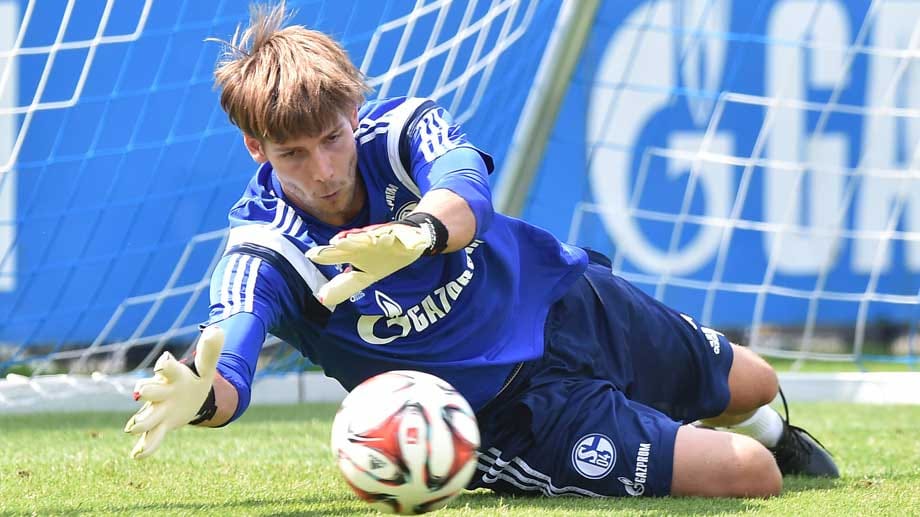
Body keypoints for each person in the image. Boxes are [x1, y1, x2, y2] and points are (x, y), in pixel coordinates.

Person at [124, 2, 839, 498]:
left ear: (354, 110)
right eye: (292, 153)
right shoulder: (264, 254)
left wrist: (415, 234)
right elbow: (231, 360)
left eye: (333, 138)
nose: (325, 169)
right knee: (751, 473)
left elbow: (466, 188)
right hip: (519, 414)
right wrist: (200, 397)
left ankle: (745, 425)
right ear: (256, 147)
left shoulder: (401, 131)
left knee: (754, 384)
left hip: (568, 303)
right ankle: (638, 441)